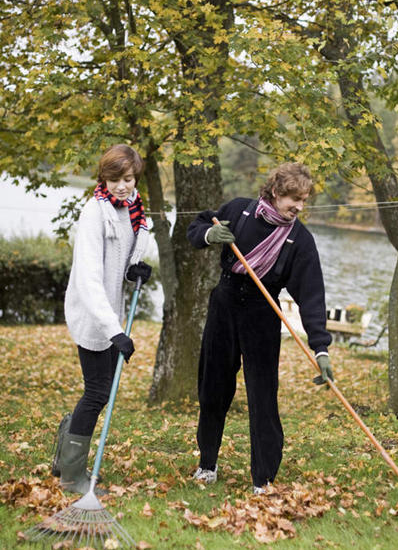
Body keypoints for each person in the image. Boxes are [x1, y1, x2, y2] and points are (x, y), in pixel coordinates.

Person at [187, 162, 333, 494]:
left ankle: (262, 479)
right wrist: (210, 234)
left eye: (304, 200)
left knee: (263, 399)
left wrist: (321, 348)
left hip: (262, 314)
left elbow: (312, 296)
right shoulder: (239, 211)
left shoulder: (299, 240)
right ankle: (207, 464)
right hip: (223, 306)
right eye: (293, 198)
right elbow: (196, 227)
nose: (298, 206)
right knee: (213, 389)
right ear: (275, 191)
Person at [52, 144, 152, 494]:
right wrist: (114, 332)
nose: (122, 186)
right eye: (114, 179)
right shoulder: (95, 212)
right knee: (97, 392)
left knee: (101, 391)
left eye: (127, 178)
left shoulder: (132, 210)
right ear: (103, 177)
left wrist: (133, 271)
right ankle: (72, 476)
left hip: (111, 313)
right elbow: (90, 279)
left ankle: (64, 453)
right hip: (94, 317)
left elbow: (119, 263)